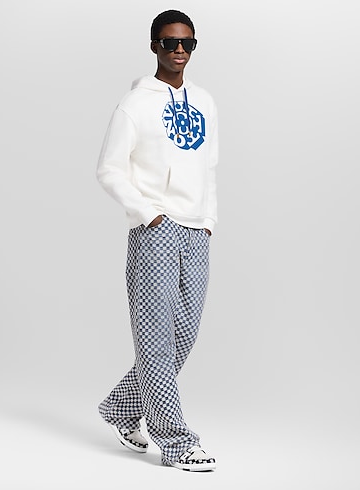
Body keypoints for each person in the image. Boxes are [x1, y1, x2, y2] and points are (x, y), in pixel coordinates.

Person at [96, 9, 218, 472]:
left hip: (196, 229)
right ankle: (176, 441)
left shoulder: (205, 102)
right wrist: (149, 214)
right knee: (155, 340)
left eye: (187, 42)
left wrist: (208, 219)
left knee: (182, 335)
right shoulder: (135, 105)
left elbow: (209, 166)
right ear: (155, 47)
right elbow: (109, 168)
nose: (179, 50)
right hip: (157, 230)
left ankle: (120, 407)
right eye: (169, 43)